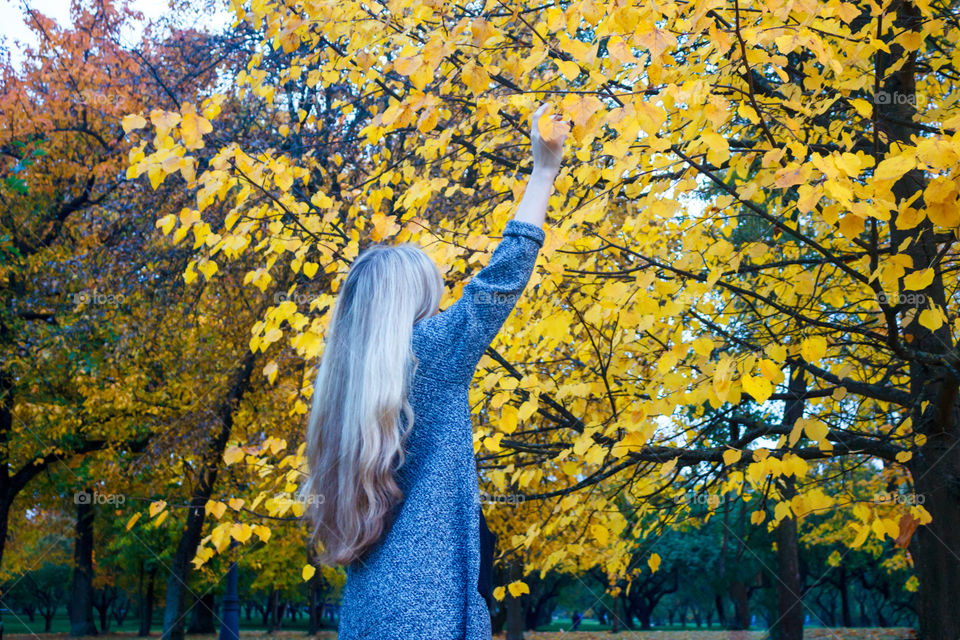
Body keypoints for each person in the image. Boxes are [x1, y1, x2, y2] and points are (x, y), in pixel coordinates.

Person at [298, 102, 569, 640]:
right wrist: (543, 171)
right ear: (410, 305)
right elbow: (502, 279)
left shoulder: (342, 391)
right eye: (433, 296)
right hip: (427, 612)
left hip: (366, 610)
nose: (441, 308)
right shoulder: (429, 355)